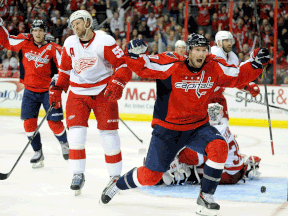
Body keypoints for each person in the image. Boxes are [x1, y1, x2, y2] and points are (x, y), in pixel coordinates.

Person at [100, 34, 270, 216]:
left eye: (204, 50)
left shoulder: (214, 65)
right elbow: (144, 66)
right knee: (150, 177)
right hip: (167, 130)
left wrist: (255, 63)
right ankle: (117, 184)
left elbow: (237, 75)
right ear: (189, 51)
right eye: (197, 50)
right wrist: (134, 53)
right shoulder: (172, 63)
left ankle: (206, 197)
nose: (202, 54)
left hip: (197, 127)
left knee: (220, 147)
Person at [48, 10, 132, 196]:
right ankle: (78, 174)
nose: (74, 27)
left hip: (103, 91)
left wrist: (118, 81)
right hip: (77, 93)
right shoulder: (70, 43)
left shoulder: (105, 41)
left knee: (109, 135)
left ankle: (115, 177)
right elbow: (65, 71)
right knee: (76, 135)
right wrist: (57, 89)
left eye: (77, 23)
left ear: (87, 22)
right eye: (72, 24)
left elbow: (124, 65)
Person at [0, 18, 69, 168]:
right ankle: (38, 152)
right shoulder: (24, 42)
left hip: (48, 91)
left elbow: (65, 66)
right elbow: (7, 41)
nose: (38, 33)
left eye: (41, 30)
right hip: (29, 91)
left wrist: (58, 80)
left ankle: (64, 142)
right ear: (32, 32)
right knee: (29, 125)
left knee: (54, 123)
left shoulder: (53, 47)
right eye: (35, 30)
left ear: (45, 32)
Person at [161, 103, 262, 186]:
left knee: (193, 167)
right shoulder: (222, 126)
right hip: (236, 170)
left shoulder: (212, 132)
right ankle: (247, 166)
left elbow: (197, 157)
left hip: (227, 175)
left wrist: (179, 156)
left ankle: (178, 174)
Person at [211, 31, 261, 128]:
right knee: (212, 127)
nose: (230, 43)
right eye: (226, 41)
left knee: (223, 123)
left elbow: (237, 78)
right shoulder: (214, 54)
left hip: (217, 97)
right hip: (204, 98)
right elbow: (227, 78)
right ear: (219, 42)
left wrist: (248, 86)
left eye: (230, 40)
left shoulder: (232, 57)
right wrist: (246, 86)